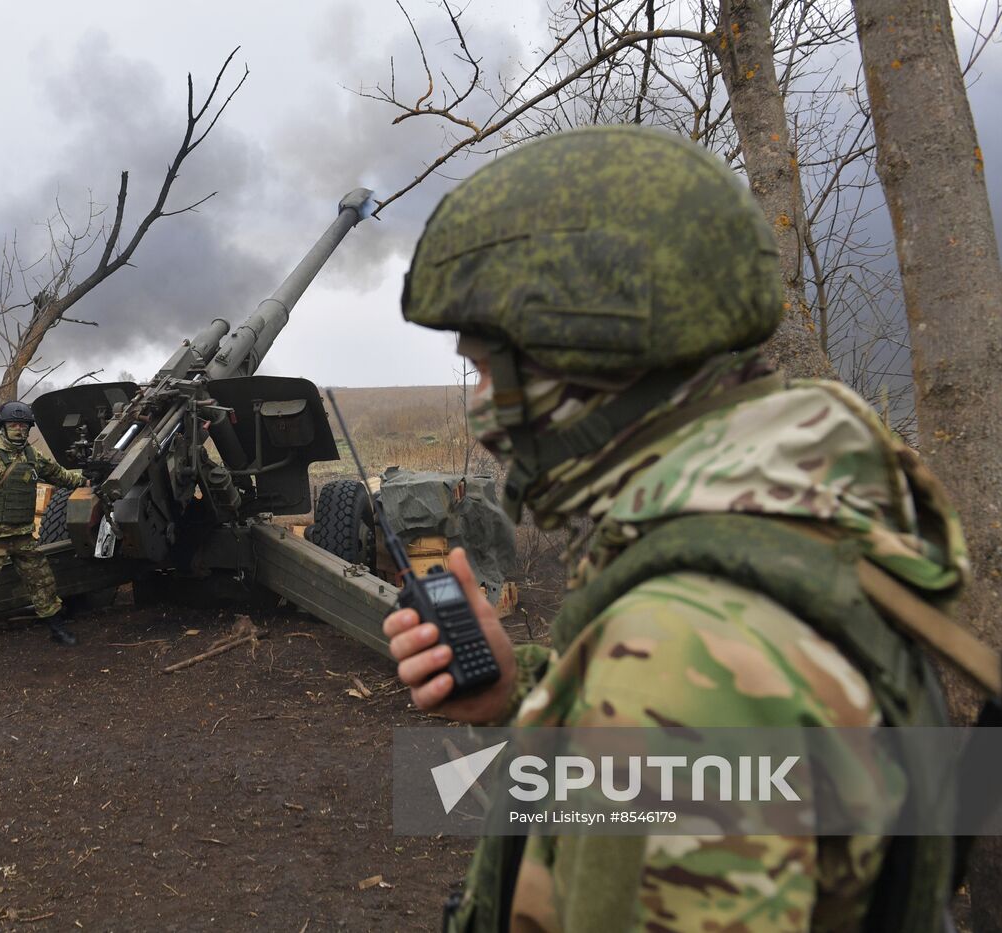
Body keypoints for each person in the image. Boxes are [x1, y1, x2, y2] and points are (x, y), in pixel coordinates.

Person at [383, 126, 968, 932]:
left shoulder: (679, 652)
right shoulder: (795, 501)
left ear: (579, 359)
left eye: (485, 370)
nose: (479, 409)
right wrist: (523, 689)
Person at [0, 399, 86, 661]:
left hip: (23, 536)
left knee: (44, 583)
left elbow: (60, 475)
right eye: (13, 424)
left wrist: (86, 480)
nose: (19, 429)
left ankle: (56, 629)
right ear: (2, 427)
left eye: (23, 425)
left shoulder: (30, 455)